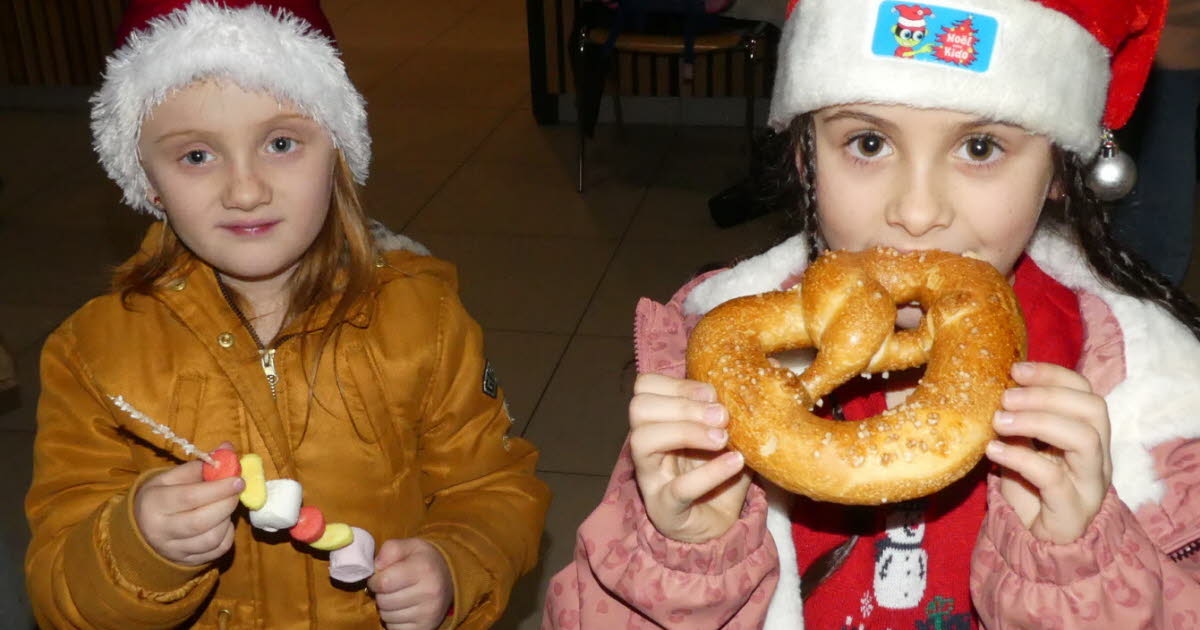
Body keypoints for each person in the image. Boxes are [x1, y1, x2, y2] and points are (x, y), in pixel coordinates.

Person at [544, 0, 1200, 627]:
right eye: (866, 143)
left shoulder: (1145, 398)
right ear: (805, 157)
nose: (916, 212)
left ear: (1059, 168)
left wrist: (1082, 571)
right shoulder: (711, 376)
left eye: (979, 148)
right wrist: (680, 557)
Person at [24, 1, 549, 628]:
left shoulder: (424, 321)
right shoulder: (92, 356)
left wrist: (455, 564)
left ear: (336, 156)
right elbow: (59, 586)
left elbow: (494, 488)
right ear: (148, 182)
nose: (245, 190)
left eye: (280, 143)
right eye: (196, 156)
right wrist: (138, 550)